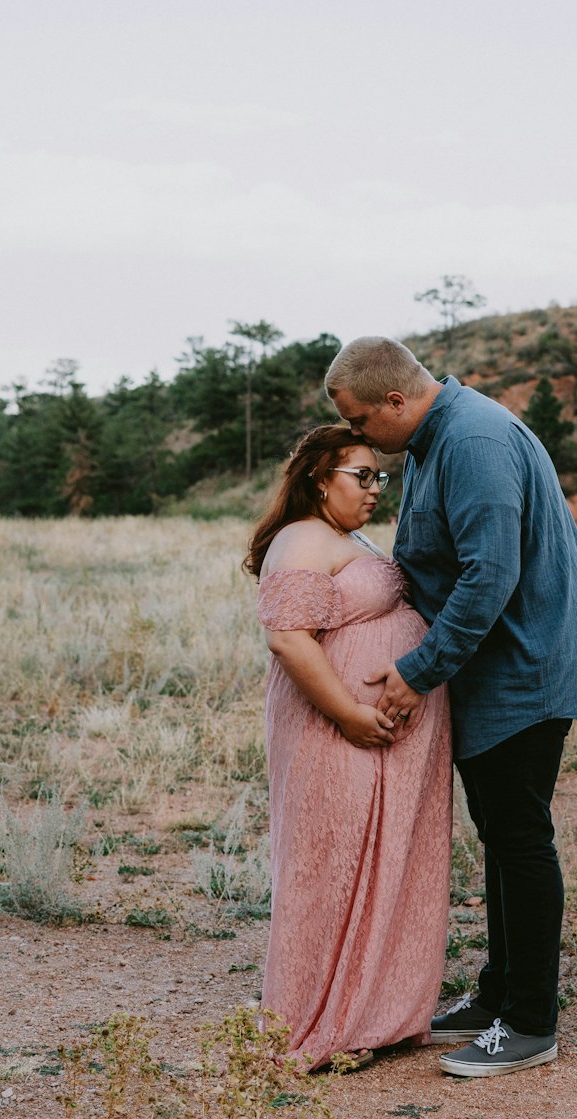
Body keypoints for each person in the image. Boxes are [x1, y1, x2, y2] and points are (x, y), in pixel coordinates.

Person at [325, 337, 577, 1078]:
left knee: (520, 837)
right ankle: (498, 996)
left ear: (397, 400)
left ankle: (530, 1024)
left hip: (524, 672)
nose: (359, 437)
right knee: (498, 831)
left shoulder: (475, 440)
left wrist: (416, 672)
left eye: (363, 421)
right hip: (496, 674)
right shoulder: (434, 440)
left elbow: (490, 576)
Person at [244, 425, 453, 1073]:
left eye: (378, 477)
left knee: (380, 859)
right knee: (331, 863)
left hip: (376, 733)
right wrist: (352, 716)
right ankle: (319, 1016)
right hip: (335, 730)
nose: (373, 489)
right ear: (317, 477)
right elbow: (289, 640)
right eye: (359, 476)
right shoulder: (303, 537)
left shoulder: (342, 538)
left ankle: (373, 1011)